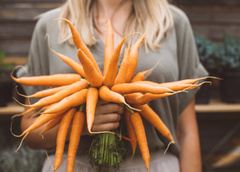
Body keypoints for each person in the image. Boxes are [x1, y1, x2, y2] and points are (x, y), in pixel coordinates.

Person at [17, 0, 208, 171]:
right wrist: (83, 123)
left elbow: (186, 132)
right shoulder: (52, 25)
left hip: (153, 166)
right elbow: (30, 129)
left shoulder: (173, 22)